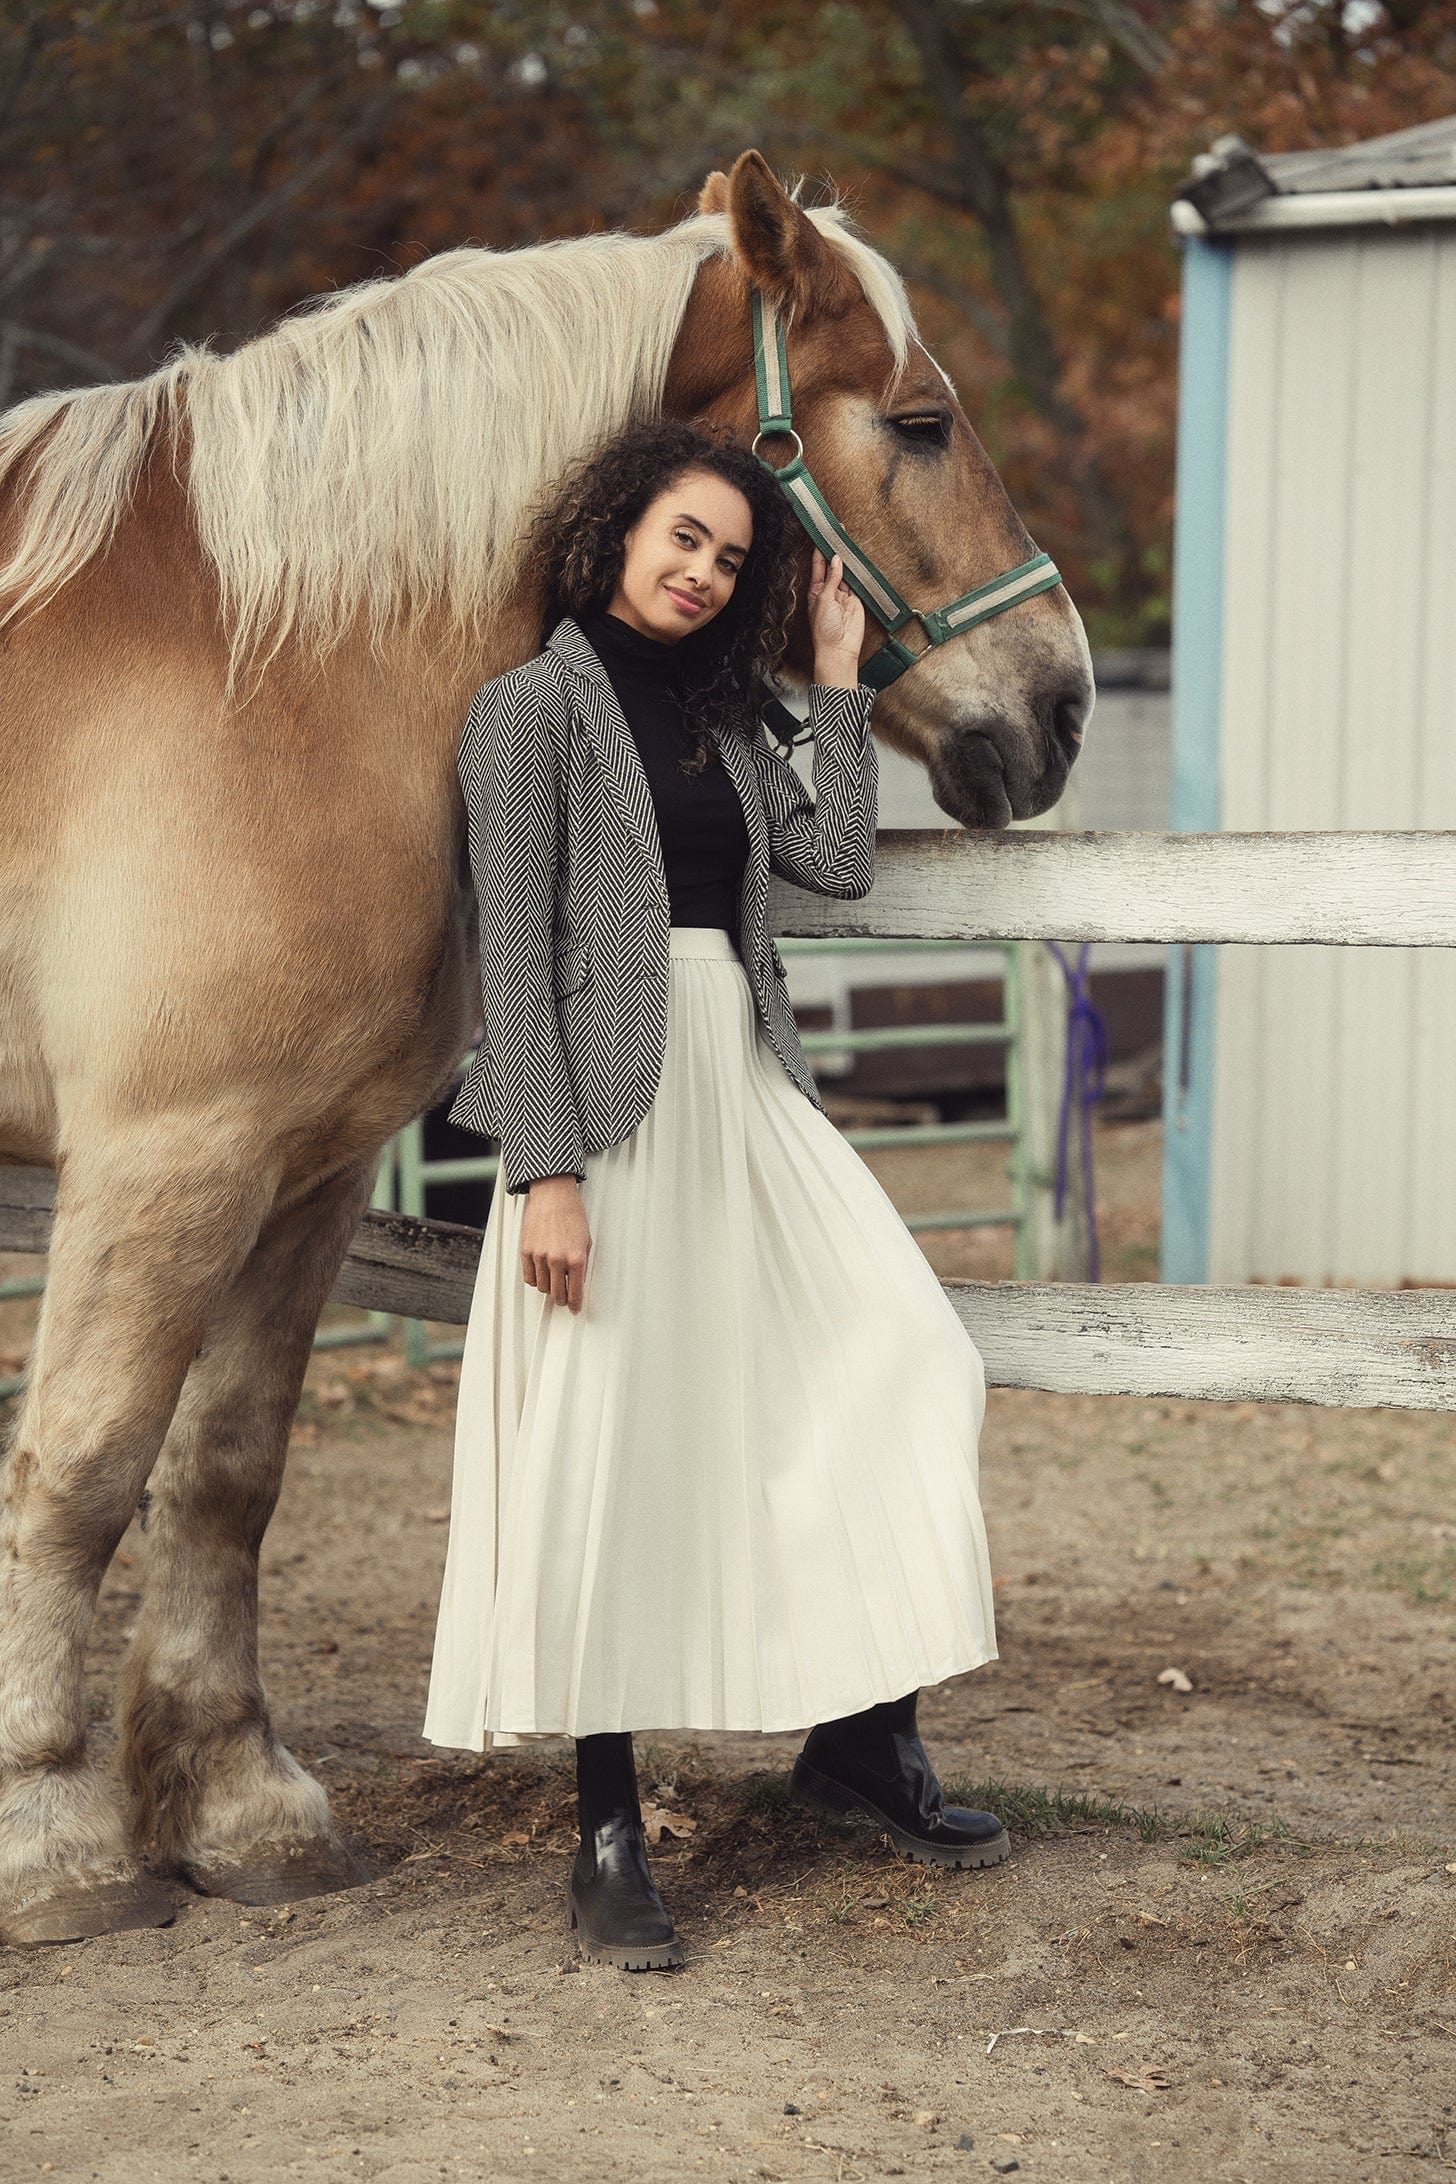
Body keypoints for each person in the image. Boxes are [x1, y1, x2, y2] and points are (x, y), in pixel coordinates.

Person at [424, 417, 1004, 1971]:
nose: (702, 571)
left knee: (909, 1359)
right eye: (684, 537)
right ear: (616, 530)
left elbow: (838, 860)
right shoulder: (527, 710)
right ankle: (607, 1837)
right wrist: (543, 1174)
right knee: (613, 1456)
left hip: (745, 1087)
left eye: (731, 559)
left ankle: (860, 1744)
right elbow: (515, 969)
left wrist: (831, 681)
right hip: (607, 1122)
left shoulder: (736, 714)